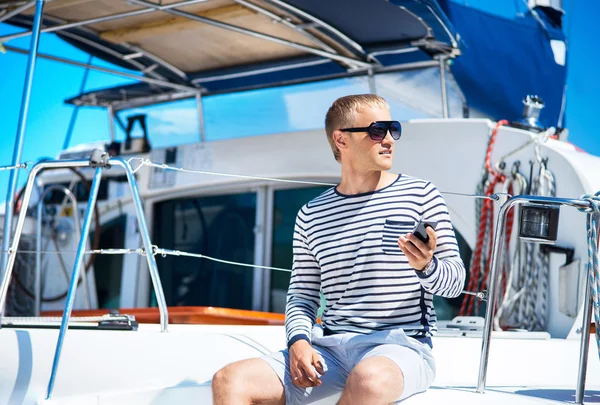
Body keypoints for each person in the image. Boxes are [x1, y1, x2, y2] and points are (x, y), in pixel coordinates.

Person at [212, 94, 466, 405]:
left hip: (402, 347)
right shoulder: (311, 215)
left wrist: (427, 267)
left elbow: (455, 284)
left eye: (393, 129)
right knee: (229, 381)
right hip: (329, 349)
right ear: (340, 139)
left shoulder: (421, 195)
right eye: (377, 130)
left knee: (368, 381)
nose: (388, 139)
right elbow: (302, 295)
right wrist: (299, 342)